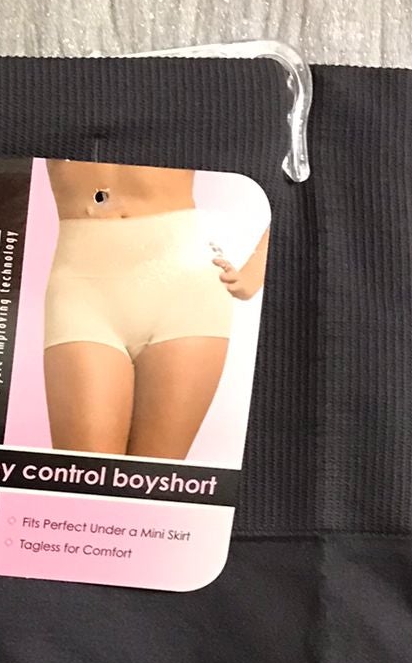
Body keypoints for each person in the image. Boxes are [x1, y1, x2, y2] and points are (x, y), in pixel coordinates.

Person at [41, 159, 265, 459]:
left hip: (182, 288)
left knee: (151, 480)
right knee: (84, 478)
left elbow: (299, 168)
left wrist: (256, 271)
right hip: (82, 287)